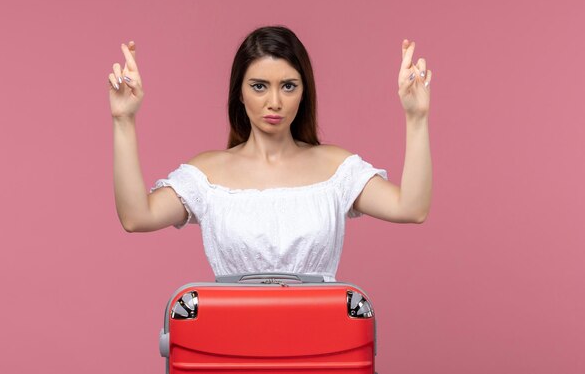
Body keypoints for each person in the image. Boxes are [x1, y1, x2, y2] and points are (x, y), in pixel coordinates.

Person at [107, 25, 432, 282]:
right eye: (259, 86)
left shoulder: (336, 168)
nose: (274, 101)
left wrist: (416, 118)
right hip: (232, 349)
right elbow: (137, 217)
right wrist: (123, 120)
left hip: (322, 348)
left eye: (288, 86)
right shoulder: (208, 173)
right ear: (240, 93)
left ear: (304, 93)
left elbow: (411, 208)